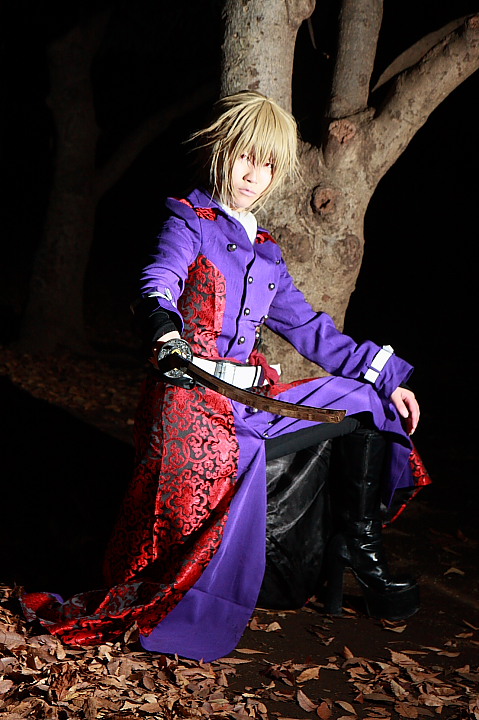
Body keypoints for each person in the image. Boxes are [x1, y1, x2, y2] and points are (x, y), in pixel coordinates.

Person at [22, 91, 430, 662]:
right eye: (245, 157)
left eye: (267, 165)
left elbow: (311, 330)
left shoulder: (267, 253)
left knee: (363, 401)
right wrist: (165, 330)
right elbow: (158, 278)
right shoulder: (190, 222)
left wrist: (389, 379)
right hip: (186, 398)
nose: (253, 175)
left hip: (247, 401)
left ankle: (360, 548)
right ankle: (175, 598)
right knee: (198, 495)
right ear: (223, 152)